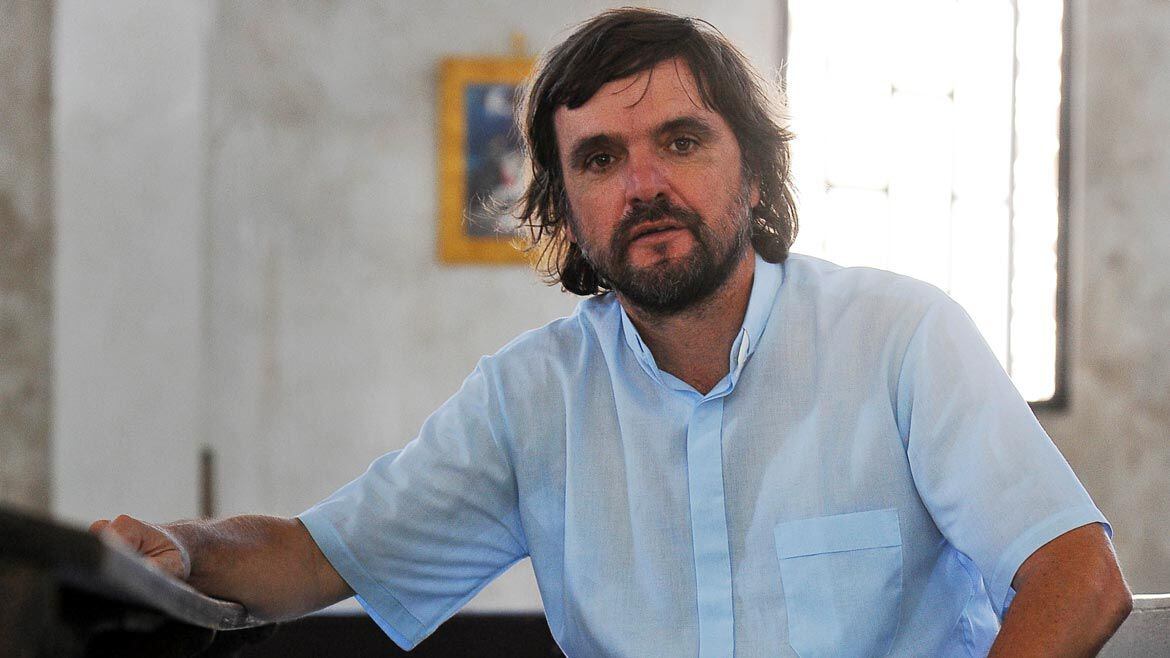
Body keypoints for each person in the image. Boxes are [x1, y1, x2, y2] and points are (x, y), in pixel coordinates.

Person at [91, 8, 1132, 656]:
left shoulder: (902, 338)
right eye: (598, 159)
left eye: (680, 141)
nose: (642, 184)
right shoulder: (530, 400)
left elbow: (1079, 579)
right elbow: (316, 556)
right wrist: (184, 548)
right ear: (565, 209)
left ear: (754, 172)